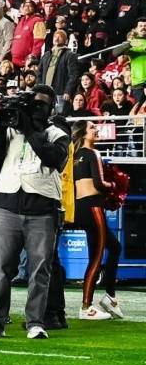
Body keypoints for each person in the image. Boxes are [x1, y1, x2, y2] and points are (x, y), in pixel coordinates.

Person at [0, 84, 70, 340]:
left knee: (40, 269)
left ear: (51, 107)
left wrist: (31, 128)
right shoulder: (11, 128)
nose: (37, 108)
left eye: (42, 104)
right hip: (7, 204)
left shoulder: (58, 130)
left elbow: (54, 158)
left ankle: (35, 322)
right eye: (35, 103)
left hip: (42, 208)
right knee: (0, 267)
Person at [71, 121, 123, 321]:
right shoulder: (93, 153)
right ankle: (86, 307)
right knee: (96, 257)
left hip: (80, 208)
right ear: (84, 133)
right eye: (93, 128)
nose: (97, 130)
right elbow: (99, 183)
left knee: (114, 247)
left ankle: (109, 296)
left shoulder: (75, 155)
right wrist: (116, 186)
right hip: (93, 207)